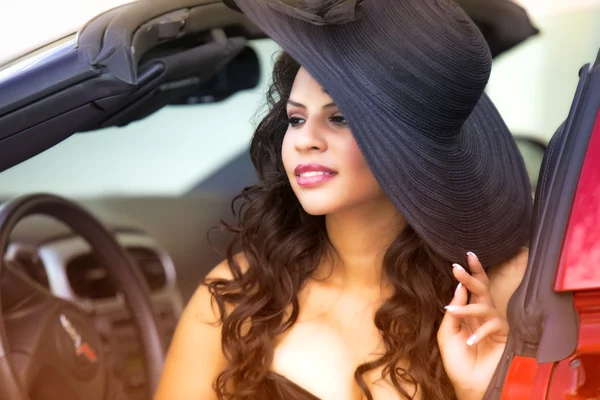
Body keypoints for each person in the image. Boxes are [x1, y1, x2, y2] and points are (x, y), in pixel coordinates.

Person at [155, 0, 532, 399]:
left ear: (408, 140)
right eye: (296, 118)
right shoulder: (240, 293)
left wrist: (479, 392)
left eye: (339, 118)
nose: (305, 139)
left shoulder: (505, 292)